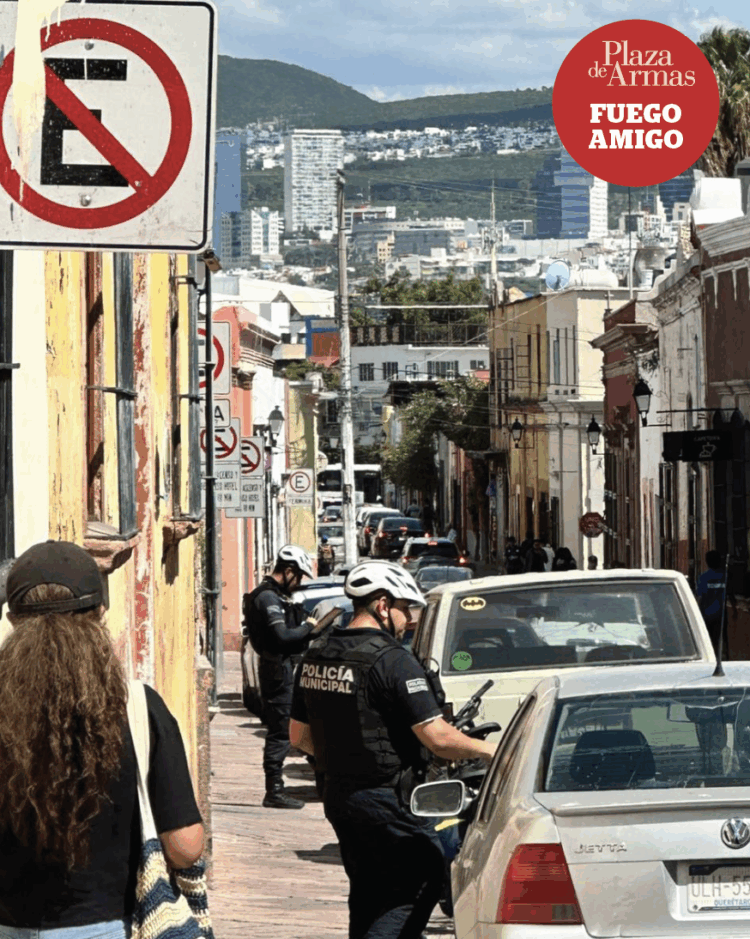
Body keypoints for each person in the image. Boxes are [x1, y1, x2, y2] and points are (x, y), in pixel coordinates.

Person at [0, 540, 204, 933]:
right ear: (99, 615)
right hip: (108, 926)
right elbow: (185, 847)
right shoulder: (139, 708)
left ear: (13, 619)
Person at [290, 560, 496, 939]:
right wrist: (493, 752)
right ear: (383, 605)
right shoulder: (392, 660)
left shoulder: (317, 653)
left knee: (369, 893)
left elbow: (298, 737)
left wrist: (346, 755)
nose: (409, 620)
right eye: (405, 608)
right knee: (421, 880)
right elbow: (438, 738)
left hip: (339, 796)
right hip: (388, 798)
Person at [242, 544, 316, 809]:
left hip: (281, 669)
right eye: (299, 576)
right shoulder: (267, 598)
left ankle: (279, 788)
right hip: (276, 671)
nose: (299, 583)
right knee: (280, 731)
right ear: (288, 571)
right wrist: (308, 627)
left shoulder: (274, 596)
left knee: (288, 728)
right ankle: (273, 791)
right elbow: (282, 636)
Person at [696, 550, 736, 657]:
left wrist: (697, 613)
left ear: (707, 562)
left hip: (706, 615)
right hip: (721, 616)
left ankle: (711, 658)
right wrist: (734, 610)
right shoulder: (725, 576)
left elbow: (700, 597)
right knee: (722, 639)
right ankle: (723, 657)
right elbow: (730, 594)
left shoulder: (703, 577)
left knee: (708, 640)